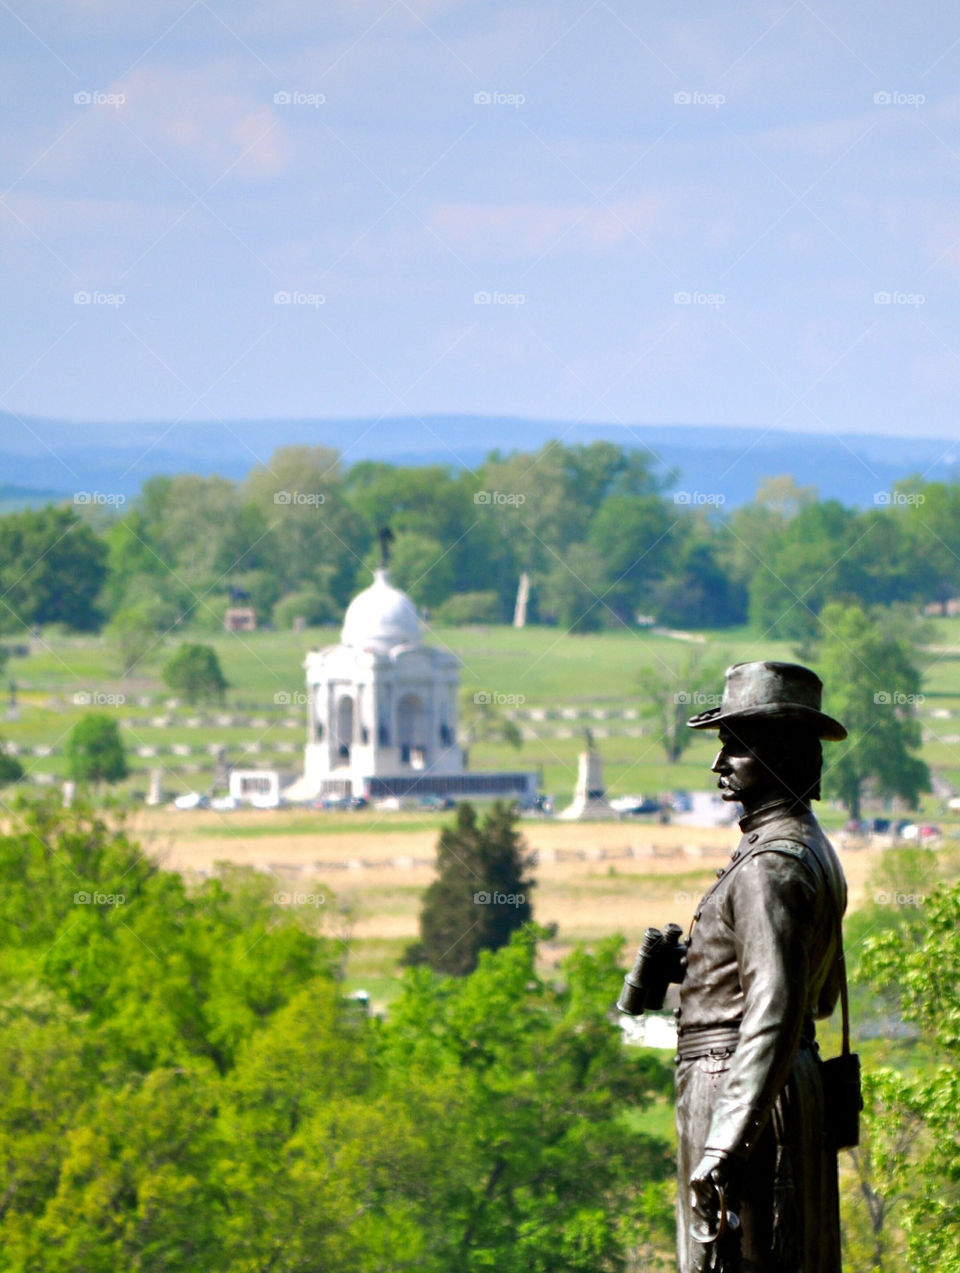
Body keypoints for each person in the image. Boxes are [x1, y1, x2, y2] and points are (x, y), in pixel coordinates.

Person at [674, 661, 849, 1273]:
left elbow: (773, 1009)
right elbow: (819, 998)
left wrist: (722, 1142)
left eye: (735, 748)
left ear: (780, 755)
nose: (718, 766)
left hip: (739, 1094)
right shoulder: (808, 846)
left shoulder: (767, 866)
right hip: (781, 1086)